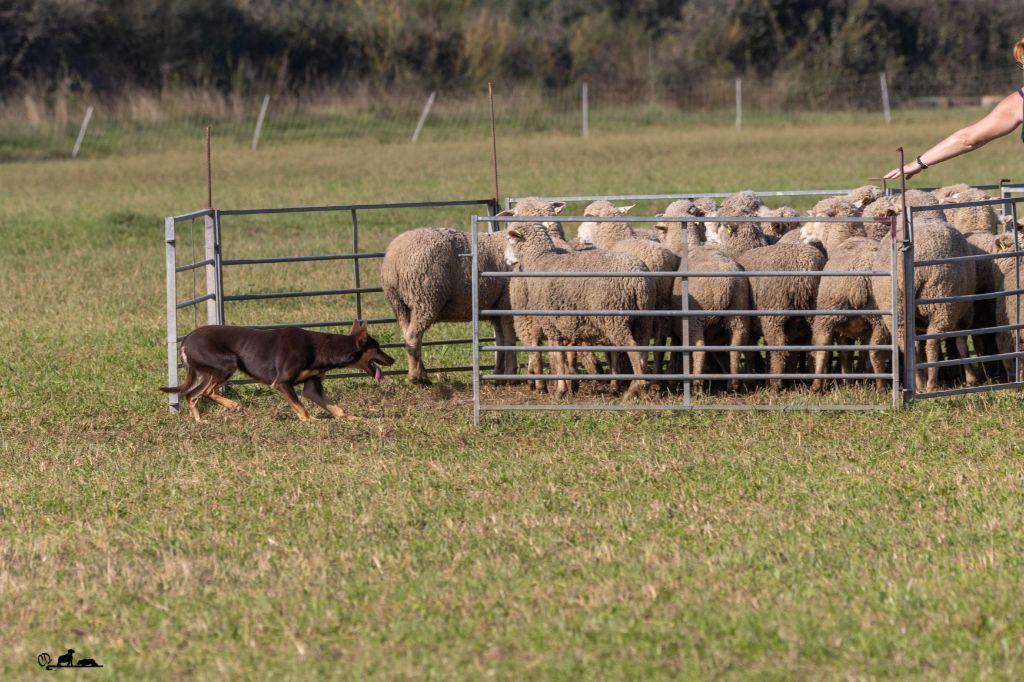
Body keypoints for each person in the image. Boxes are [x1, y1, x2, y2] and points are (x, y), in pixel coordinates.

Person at [884, 37, 1024, 181]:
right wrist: (919, 162)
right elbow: (968, 139)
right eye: (1022, 64)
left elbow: (968, 140)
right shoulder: (1018, 102)